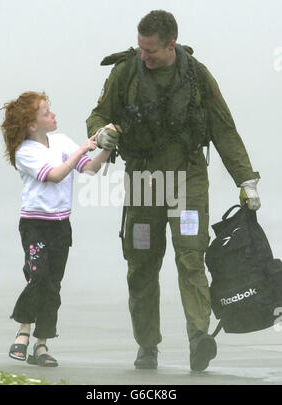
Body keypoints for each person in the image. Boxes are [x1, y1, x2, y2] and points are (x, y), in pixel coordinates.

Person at [86, 10, 261, 372]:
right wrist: (100, 133)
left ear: (171, 44)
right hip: (144, 183)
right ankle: (147, 345)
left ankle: (199, 338)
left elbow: (224, 129)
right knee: (142, 265)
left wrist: (246, 180)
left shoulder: (197, 75)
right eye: (140, 48)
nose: (143, 56)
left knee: (191, 259)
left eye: (150, 50)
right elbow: (99, 114)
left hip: (187, 182)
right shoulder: (126, 72)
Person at [1, 91, 111, 367]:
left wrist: (107, 146)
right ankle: (23, 330)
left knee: (53, 285)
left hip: (61, 227)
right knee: (38, 277)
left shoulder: (62, 141)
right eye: (46, 112)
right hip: (35, 226)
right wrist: (84, 147)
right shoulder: (25, 151)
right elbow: (56, 174)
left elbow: (89, 170)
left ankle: (41, 345)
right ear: (31, 125)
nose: (53, 115)